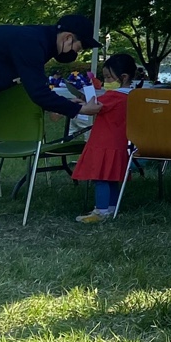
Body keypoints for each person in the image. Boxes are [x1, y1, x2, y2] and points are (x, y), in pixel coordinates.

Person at [0, 14, 103, 228]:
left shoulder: (35, 39)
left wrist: (64, 103)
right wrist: (80, 109)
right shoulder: (32, 43)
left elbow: (34, 86)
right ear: (67, 37)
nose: (77, 53)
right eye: (78, 47)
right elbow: (38, 93)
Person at [71, 53, 140, 223]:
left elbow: (94, 107)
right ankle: (111, 208)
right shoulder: (133, 96)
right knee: (112, 178)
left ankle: (100, 211)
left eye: (109, 77)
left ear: (123, 77)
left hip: (103, 144)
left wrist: (79, 104)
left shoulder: (113, 96)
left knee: (100, 177)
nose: (106, 81)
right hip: (119, 144)